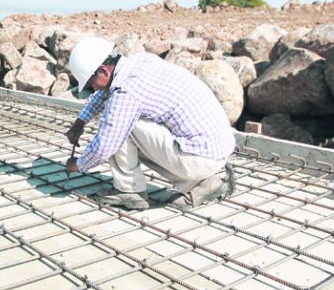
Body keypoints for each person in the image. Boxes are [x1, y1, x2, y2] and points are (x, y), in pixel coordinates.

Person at [64, 37, 236, 210]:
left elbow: (105, 146)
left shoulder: (127, 91)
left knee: (121, 125)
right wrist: (80, 122)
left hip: (198, 158)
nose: (94, 88)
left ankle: (129, 190)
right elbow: (107, 90)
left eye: (91, 82)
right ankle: (205, 185)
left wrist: (78, 165)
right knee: (123, 118)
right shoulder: (139, 62)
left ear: (104, 70)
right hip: (213, 150)